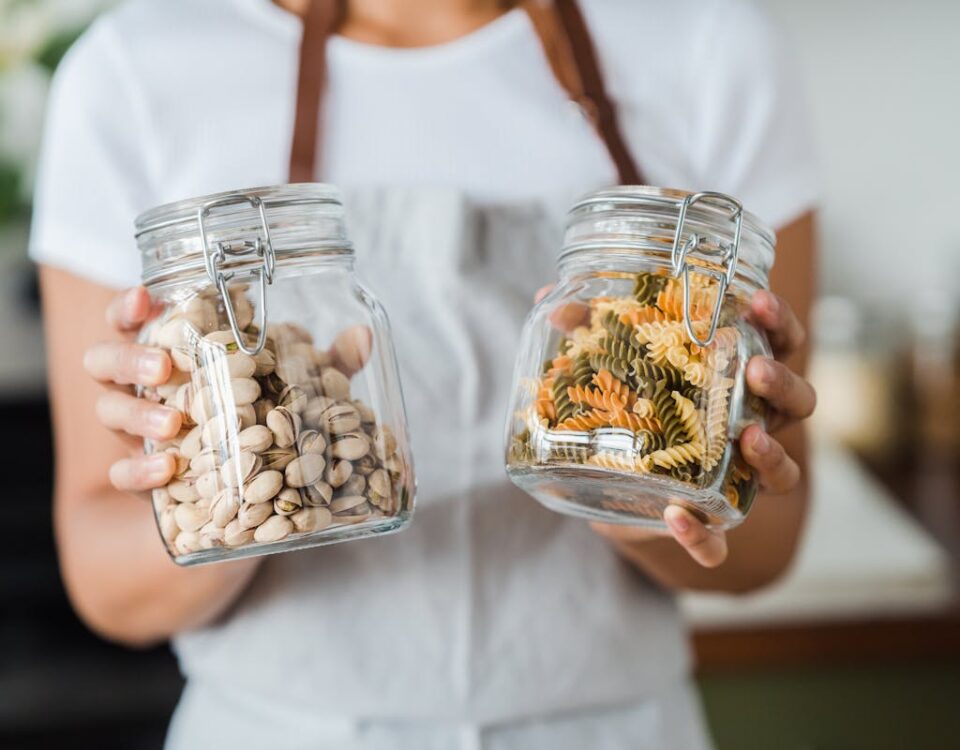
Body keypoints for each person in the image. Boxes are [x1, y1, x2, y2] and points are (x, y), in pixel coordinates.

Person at [32, 0, 817, 747]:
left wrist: (633, 488)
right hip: (282, 732)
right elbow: (109, 585)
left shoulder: (710, 44)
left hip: (609, 728)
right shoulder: (135, 70)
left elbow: (770, 543)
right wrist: (248, 474)